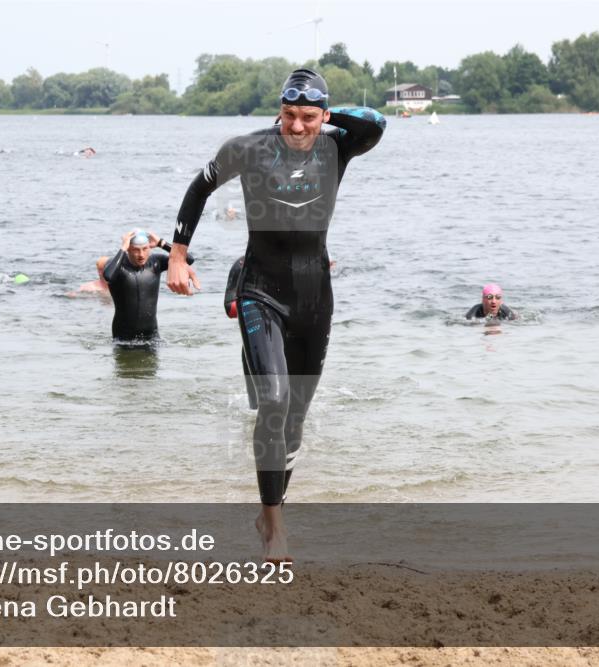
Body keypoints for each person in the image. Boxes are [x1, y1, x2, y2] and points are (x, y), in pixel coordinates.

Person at [166, 68, 386, 561]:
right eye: (289, 115)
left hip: (315, 298)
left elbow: (374, 123)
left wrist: (327, 113)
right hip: (260, 290)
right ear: (277, 111)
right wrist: (177, 255)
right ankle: (275, 524)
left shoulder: (337, 147)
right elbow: (199, 189)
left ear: (325, 115)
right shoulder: (249, 149)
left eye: (309, 116)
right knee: (275, 398)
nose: (298, 126)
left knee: (295, 420)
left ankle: (271, 507)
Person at [104, 230, 196, 341]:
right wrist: (123, 247)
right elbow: (108, 276)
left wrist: (162, 243)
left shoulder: (156, 262)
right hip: (123, 337)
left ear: (149, 248)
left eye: (145, 249)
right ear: (128, 248)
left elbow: (189, 260)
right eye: (136, 250)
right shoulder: (117, 265)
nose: (141, 255)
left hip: (152, 336)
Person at [225, 256, 258, 410]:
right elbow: (228, 308)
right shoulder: (241, 265)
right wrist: (255, 306)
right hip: (253, 346)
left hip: (289, 343)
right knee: (256, 407)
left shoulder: (289, 262)